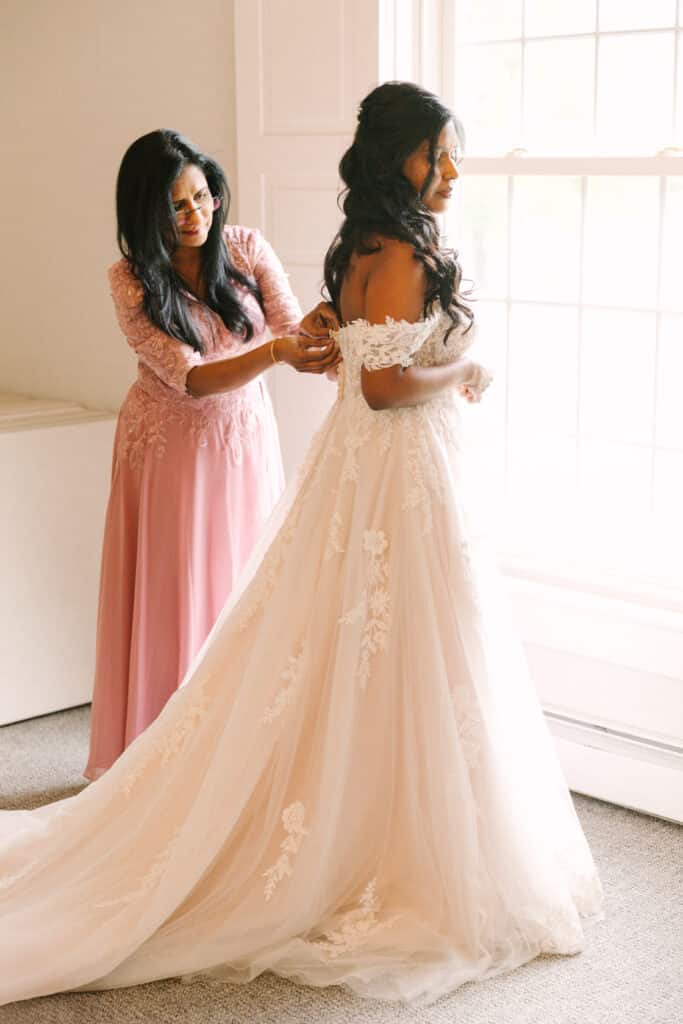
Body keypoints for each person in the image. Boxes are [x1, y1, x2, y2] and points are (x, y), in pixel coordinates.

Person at [0, 84, 603, 1007]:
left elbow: (320, 338)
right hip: (290, 450)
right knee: (371, 633)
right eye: (433, 155)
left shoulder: (332, 246)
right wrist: (464, 365)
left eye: (203, 195)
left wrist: (317, 335)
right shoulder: (377, 251)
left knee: (349, 637)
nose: (449, 172)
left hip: (335, 460)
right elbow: (367, 387)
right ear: (393, 156)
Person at [84, 130, 339, 781]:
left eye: (201, 196)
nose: (196, 214)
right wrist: (278, 354)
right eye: (177, 205)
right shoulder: (129, 280)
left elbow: (289, 328)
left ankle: (238, 751)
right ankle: (164, 760)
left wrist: (338, 316)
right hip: (169, 446)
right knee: (178, 588)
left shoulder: (246, 248)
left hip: (244, 439)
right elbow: (189, 376)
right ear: (146, 212)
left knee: (242, 583)